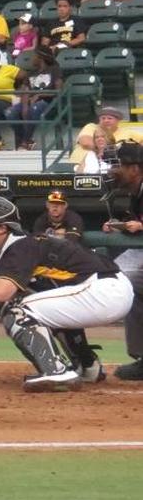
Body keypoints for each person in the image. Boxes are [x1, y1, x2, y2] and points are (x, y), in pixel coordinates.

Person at [0, 196, 130, 391]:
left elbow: (1, 292)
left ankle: (56, 371)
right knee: (42, 307)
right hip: (108, 289)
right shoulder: (22, 245)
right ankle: (87, 366)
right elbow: (26, 289)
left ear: (1, 228)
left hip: (102, 291)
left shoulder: (19, 247)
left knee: (17, 311)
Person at [101, 141, 143, 380]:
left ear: (135, 168)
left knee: (133, 285)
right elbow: (135, 221)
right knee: (131, 285)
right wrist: (117, 225)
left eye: (120, 166)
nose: (114, 171)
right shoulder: (136, 191)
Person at [6, 47, 62, 150]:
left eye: (34, 56)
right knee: (10, 112)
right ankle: (26, 140)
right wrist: (24, 107)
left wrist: (40, 95)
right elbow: (25, 91)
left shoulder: (54, 70)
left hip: (49, 103)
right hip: (31, 103)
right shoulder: (31, 73)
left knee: (36, 107)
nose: (31, 59)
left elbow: (58, 91)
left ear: (40, 58)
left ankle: (24, 142)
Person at [70, 107, 143, 166]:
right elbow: (86, 143)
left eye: (109, 118)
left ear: (118, 120)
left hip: (113, 169)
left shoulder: (127, 132)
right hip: (79, 166)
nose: (106, 121)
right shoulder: (91, 127)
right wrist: (109, 151)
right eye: (103, 118)